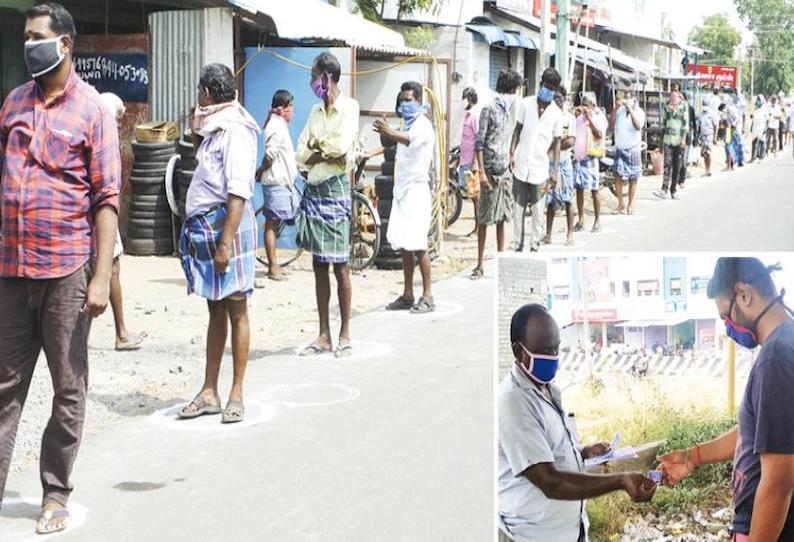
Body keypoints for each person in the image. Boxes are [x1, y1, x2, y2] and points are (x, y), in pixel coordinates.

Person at [0, 3, 120, 534]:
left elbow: (107, 198)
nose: (30, 45)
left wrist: (100, 277)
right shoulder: (12, 104)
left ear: (65, 43)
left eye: (37, 37)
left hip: (67, 271)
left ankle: (55, 493)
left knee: (68, 387)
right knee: (5, 387)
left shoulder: (92, 110)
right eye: (25, 37)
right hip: (11, 268)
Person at [658, 258, 794, 542]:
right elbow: (759, 432)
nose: (728, 327)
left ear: (744, 294)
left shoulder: (776, 359)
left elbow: (779, 482)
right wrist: (693, 456)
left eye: (725, 316)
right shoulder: (785, 342)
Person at [498, 304, 656, 542]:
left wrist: (583, 453)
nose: (553, 356)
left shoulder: (547, 389)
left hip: (571, 531)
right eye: (545, 349)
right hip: (533, 536)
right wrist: (621, 481)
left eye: (556, 348)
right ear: (519, 351)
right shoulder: (513, 401)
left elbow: (550, 450)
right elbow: (549, 481)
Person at [177, 63, 259, 425]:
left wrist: (226, 241)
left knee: (237, 308)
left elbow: (239, 188)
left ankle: (236, 393)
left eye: (199, 93)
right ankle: (209, 390)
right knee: (215, 308)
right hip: (208, 227)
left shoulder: (236, 129)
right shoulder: (215, 126)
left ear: (207, 93)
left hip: (227, 227)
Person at [295, 52, 359, 357]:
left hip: (335, 191)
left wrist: (318, 150)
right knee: (319, 263)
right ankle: (324, 334)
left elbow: (342, 147)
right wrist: (322, 152)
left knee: (341, 265)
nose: (311, 81)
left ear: (326, 78)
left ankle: (345, 332)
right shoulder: (314, 112)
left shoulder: (349, 108)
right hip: (315, 189)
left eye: (313, 75)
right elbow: (300, 152)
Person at [373, 81, 435, 314]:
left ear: (419, 101)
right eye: (402, 101)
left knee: (419, 245)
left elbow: (407, 139)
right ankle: (408, 294)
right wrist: (386, 131)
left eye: (409, 100)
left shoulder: (423, 126)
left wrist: (389, 131)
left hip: (417, 191)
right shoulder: (406, 125)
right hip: (402, 191)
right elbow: (393, 140)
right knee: (404, 246)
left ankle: (428, 295)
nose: (405, 104)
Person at [99, 92, 147, 351]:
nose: (119, 125)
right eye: (117, 119)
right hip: (102, 217)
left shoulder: (104, 141)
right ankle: (121, 334)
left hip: (101, 217)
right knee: (112, 269)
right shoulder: (103, 144)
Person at [470, 68, 521, 280]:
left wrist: (511, 154)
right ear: (510, 89)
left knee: (502, 218)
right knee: (484, 218)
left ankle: (501, 263)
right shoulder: (489, 109)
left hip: (505, 170)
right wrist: (481, 171)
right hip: (489, 171)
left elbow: (510, 136)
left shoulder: (510, 111)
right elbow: (479, 142)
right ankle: (480, 264)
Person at [509, 67, 563, 252]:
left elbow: (557, 143)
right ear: (541, 85)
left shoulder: (557, 113)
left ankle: (535, 246)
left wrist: (555, 171)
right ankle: (518, 245)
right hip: (521, 164)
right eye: (546, 86)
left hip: (541, 168)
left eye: (552, 88)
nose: (548, 90)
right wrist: (511, 152)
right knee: (518, 209)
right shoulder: (525, 104)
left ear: (556, 90)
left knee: (539, 211)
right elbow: (517, 129)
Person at [255, 89, 298, 283]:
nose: (292, 111)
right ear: (283, 108)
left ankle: (275, 264)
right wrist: (261, 170)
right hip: (275, 182)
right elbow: (271, 155)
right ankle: (273, 267)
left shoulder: (279, 125)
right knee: (272, 224)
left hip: (282, 182)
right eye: (290, 107)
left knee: (276, 222)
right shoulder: (275, 126)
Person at [544, 86, 576, 246]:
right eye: (554, 97)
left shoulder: (569, 118)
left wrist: (554, 143)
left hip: (565, 163)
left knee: (568, 199)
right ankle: (548, 234)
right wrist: (555, 143)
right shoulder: (547, 117)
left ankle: (570, 235)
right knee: (550, 200)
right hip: (549, 163)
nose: (557, 100)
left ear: (565, 98)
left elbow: (570, 141)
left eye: (560, 97)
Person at [572, 91, 607, 232]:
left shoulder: (599, 117)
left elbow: (599, 134)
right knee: (579, 189)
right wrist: (579, 114)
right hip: (579, 157)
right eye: (582, 105)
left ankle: (597, 221)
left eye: (586, 105)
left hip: (592, 157)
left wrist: (589, 118)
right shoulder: (579, 117)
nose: (584, 107)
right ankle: (581, 220)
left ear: (592, 106)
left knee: (594, 189)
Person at [611, 89, 646, 214]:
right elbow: (611, 123)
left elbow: (638, 126)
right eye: (625, 98)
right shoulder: (620, 111)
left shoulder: (639, 112)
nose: (626, 100)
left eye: (628, 98)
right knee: (617, 174)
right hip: (620, 147)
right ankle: (620, 203)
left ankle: (630, 205)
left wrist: (630, 110)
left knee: (633, 177)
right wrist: (616, 108)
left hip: (633, 148)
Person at [654, 90, 689, 200]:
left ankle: (673, 190)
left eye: (675, 97)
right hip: (668, 141)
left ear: (679, 97)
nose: (673, 99)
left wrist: (683, 139)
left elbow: (686, 125)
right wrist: (660, 142)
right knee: (667, 164)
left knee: (676, 166)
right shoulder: (666, 106)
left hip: (679, 142)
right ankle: (664, 189)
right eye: (671, 97)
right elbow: (663, 124)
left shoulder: (683, 107)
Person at [460, 87, 480, 235]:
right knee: (473, 196)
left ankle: (478, 227)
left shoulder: (474, 115)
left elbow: (478, 140)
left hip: (471, 162)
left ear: (470, 99)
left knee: (475, 196)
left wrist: (476, 162)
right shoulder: (467, 115)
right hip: (465, 160)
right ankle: (477, 226)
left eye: (464, 98)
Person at [677, 92, 697, 185]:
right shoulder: (675, 109)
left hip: (687, 137)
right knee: (677, 159)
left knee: (684, 160)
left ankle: (682, 180)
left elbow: (694, 124)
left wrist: (696, 137)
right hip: (676, 137)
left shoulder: (690, 109)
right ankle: (676, 179)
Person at [697, 97, 718, 177]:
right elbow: (698, 126)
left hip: (709, 135)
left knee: (708, 152)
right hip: (702, 136)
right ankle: (706, 169)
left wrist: (715, 137)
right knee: (704, 153)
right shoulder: (700, 114)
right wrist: (698, 136)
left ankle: (709, 170)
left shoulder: (712, 114)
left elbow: (715, 126)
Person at [750, 95, 768, 163]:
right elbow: (754, 119)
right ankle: (753, 157)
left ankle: (761, 157)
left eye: (759, 99)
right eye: (757, 99)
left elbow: (767, 120)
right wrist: (751, 127)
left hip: (762, 127)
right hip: (755, 127)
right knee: (754, 142)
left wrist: (765, 129)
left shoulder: (765, 109)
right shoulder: (756, 108)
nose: (758, 101)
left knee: (761, 142)